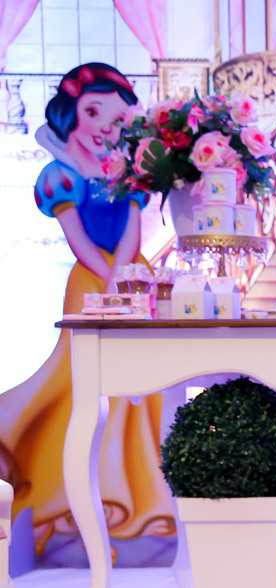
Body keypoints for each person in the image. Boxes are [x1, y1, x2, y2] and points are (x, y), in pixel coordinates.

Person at [0, 63, 175, 559]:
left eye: (117, 119)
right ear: (69, 115)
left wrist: (125, 275)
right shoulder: (60, 177)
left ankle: (143, 503)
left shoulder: (133, 174)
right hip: (90, 283)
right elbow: (77, 239)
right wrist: (109, 278)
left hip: (134, 277)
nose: (104, 127)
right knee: (81, 385)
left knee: (144, 391)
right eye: (93, 111)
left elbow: (132, 229)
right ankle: (74, 501)